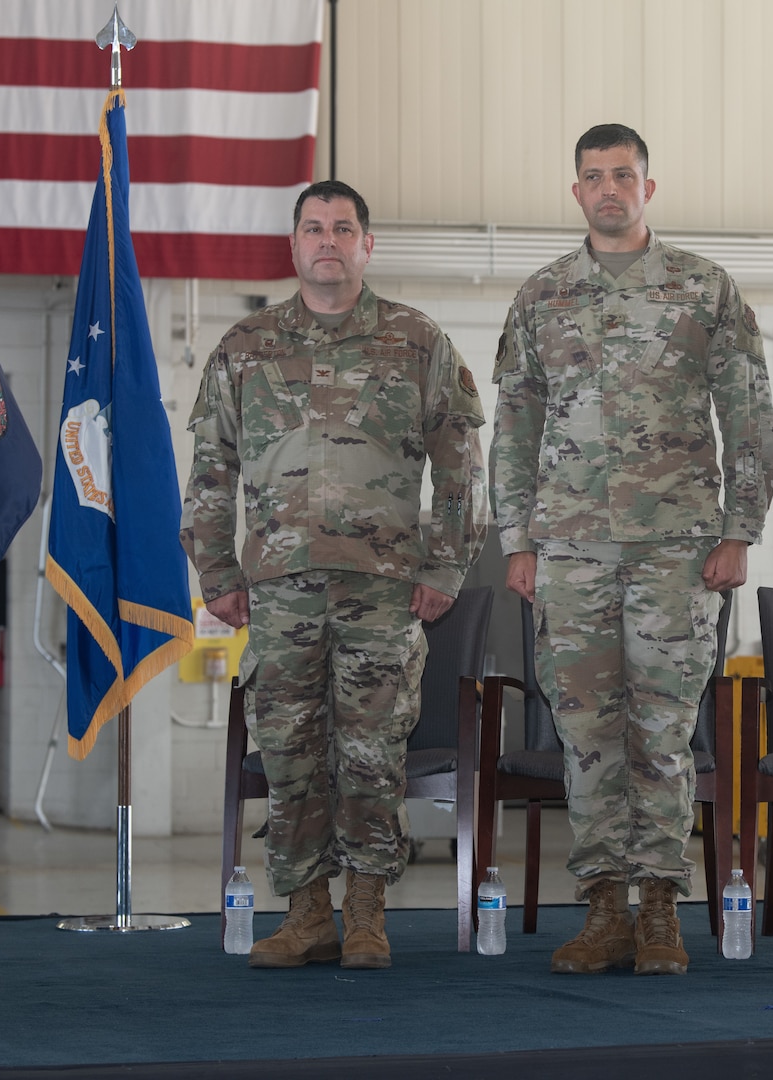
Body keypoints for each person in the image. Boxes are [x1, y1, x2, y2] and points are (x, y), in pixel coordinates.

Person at [490, 123, 773, 976]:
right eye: (593, 176)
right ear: (574, 191)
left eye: (623, 175)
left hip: (678, 551)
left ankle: (660, 908)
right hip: (571, 552)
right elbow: (514, 428)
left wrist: (741, 528)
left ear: (648, 188)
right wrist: (518, 540)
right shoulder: (542, 297)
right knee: (586, 732)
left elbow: (750, 415)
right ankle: (604, 909)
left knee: (660, 729)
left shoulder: (703, 290)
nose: (609, 188)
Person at [181, 180, 486, 970]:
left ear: (366, 245)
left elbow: (461, 469)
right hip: (278, 588)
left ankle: (366, 915)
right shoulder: (244, 348)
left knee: (374, 749)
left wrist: (447, 565)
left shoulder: (418, 343)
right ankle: (307, 911)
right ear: (293, 246)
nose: (328, 241)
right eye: (314, 228)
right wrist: (216, 569)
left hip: (383, 587)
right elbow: (211, 468)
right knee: (289, 747)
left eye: (343, 228)